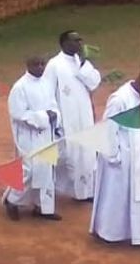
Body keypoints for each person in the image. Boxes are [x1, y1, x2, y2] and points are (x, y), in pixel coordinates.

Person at [90, 71, 140, 249]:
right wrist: (114, 156)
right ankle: (109, 233)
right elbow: (109, 128)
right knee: (117, 197)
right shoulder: (119, 99)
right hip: (123, 158)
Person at [43, 30, 101, 201]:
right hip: (66, 119)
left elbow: (94, 82)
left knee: (87, 153)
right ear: (64, 44)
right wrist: (56, 119)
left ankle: (85, 192)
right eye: (75, 41)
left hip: (84, 116)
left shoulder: (81, 61)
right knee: (67, 155)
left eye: (80, 40)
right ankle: (49, 189)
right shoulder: (54, 64)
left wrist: (84, 63)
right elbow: (48, 92)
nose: (79, 44)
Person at [3, 56, 61, 221]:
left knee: (47, 171)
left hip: (47, 134)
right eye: (37, 64)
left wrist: (54, 115)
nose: (41, 67)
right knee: (29, 171)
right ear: (28, 65)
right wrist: (43, 117)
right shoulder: (20, 87)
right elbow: (18, 113)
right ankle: (12, 200)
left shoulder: (46, 83)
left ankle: (43, 207)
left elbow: (54, 105)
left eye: (43, 64)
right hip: (28, 135)